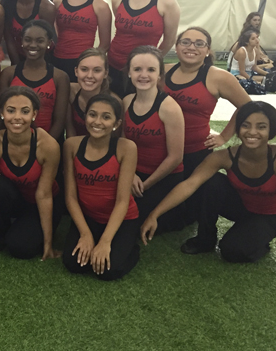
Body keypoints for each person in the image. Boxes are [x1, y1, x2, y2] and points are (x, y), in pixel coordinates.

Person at [143, 101, 276, 265]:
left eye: (261, 127)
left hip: (267, 216)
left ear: (271, 130)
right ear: (238, 128)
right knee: (211, 182)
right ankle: (205, 239)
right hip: (241, 207)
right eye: (246, 125)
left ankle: (259, 241)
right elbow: (189, 185)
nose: (252, 132)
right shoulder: (224, 157)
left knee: (232, 251)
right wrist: (154, 215)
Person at [0, 86, 62, 264]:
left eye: (24, 111)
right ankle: (2, 228)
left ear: (34, 114)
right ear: (1, 113)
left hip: (41, 204)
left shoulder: (48, 145)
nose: (17, 117)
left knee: (21, 248)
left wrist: (48, 244)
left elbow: (44, 195)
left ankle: (22, 231)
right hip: (15, 198)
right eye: (10, 110)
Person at [163, 27, 251, 218]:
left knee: (189, 211)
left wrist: (224, 136)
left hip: (195, 153)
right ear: (176, 47)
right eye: (185, 42)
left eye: (199, 43)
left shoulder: (218, 77)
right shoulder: (164, 71)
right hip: (162, 151)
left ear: (208, 50)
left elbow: (248, 107)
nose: (191, 47)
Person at [62, 94, 140, 280]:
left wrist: (105, 241)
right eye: (92, 114)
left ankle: (130, 245)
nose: (97, 122)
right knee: (74, 264)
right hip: (88, 217)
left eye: (106, 117)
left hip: (121, 218)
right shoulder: (71, 145)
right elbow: (71, 197)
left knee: (107, 271)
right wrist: (85, 234)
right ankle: (93, 237)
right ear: (85, 117)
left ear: (116, 123)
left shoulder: (126, 148)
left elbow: (122, 200)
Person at [122, 46, 185, 231]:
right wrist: (131, 175)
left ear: (159, 75)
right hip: (134, 175)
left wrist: (146, 185)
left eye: (151, 70)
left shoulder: (169, 108)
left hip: (162, 179)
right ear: (129, 73)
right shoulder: (126, 102)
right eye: (137, 69)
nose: (144, 75)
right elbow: (123, 145)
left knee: (132, 222)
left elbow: (175, 157)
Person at [107, 0, 181, 95]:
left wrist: (150, 63)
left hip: (141, 74)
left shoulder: (168, 2)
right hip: (113, 66)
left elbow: (169, 41)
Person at [0, 20, 69, 139]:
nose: (32, 45)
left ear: (49, 43)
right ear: (21, 41)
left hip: (48, 143)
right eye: (28, 39)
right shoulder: (8, 74)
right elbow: (0, 113)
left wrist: (43, 145)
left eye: (40, 41)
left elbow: (59, 121)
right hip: (13, 142)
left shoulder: (60, 77)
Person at [52, 0, 112, 80]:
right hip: (57, 61)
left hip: (82, 66)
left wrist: (89, 66)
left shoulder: (101, 6)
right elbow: (53, 31)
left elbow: (105, 44)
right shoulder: (58, 1)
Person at [0, 0, 57, 65]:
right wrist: (18, 68)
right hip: (17, 59)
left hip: (44, 61)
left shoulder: (47, 7)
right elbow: (9, 40)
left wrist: (35, 70)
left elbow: (47, 43)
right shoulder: (5, 3)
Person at [66, 48, 116, 138]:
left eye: (97, 70)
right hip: (74, 147)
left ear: (105, 73)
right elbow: (70, 130)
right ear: (76, 71)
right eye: (84, 69)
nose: (89, 76)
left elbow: (115, 138)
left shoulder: (114, 102)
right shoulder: (70, 91)